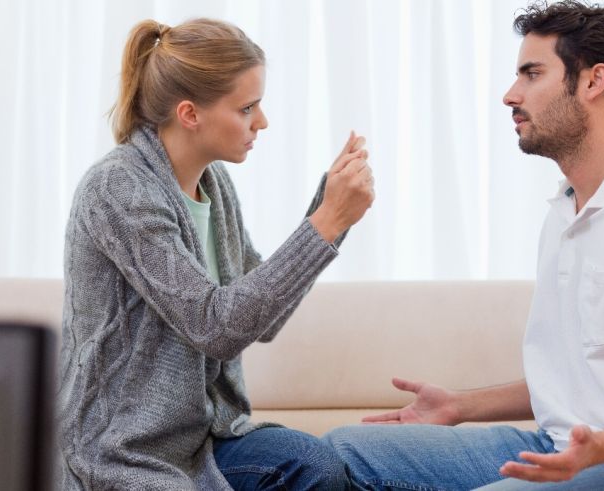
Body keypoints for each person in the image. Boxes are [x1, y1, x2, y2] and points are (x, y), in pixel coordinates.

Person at [322, 1, 604, 490]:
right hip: (560, 446)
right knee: (343, 452)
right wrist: (461, 405)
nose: (510, 94)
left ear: (593, 81)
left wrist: (600, 449)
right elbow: (581, 376)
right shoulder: (566, 210)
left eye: (531, 73)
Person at [57, 18, 374, 490]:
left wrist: (331, 216)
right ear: (190, 114)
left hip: (206, 437)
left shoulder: (213, 183)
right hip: (123, 449)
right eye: (247, 107)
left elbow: (260, 320)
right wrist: (325, 222)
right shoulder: (118, 188)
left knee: (317, 467)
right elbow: (213, 326)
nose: (261, 122)